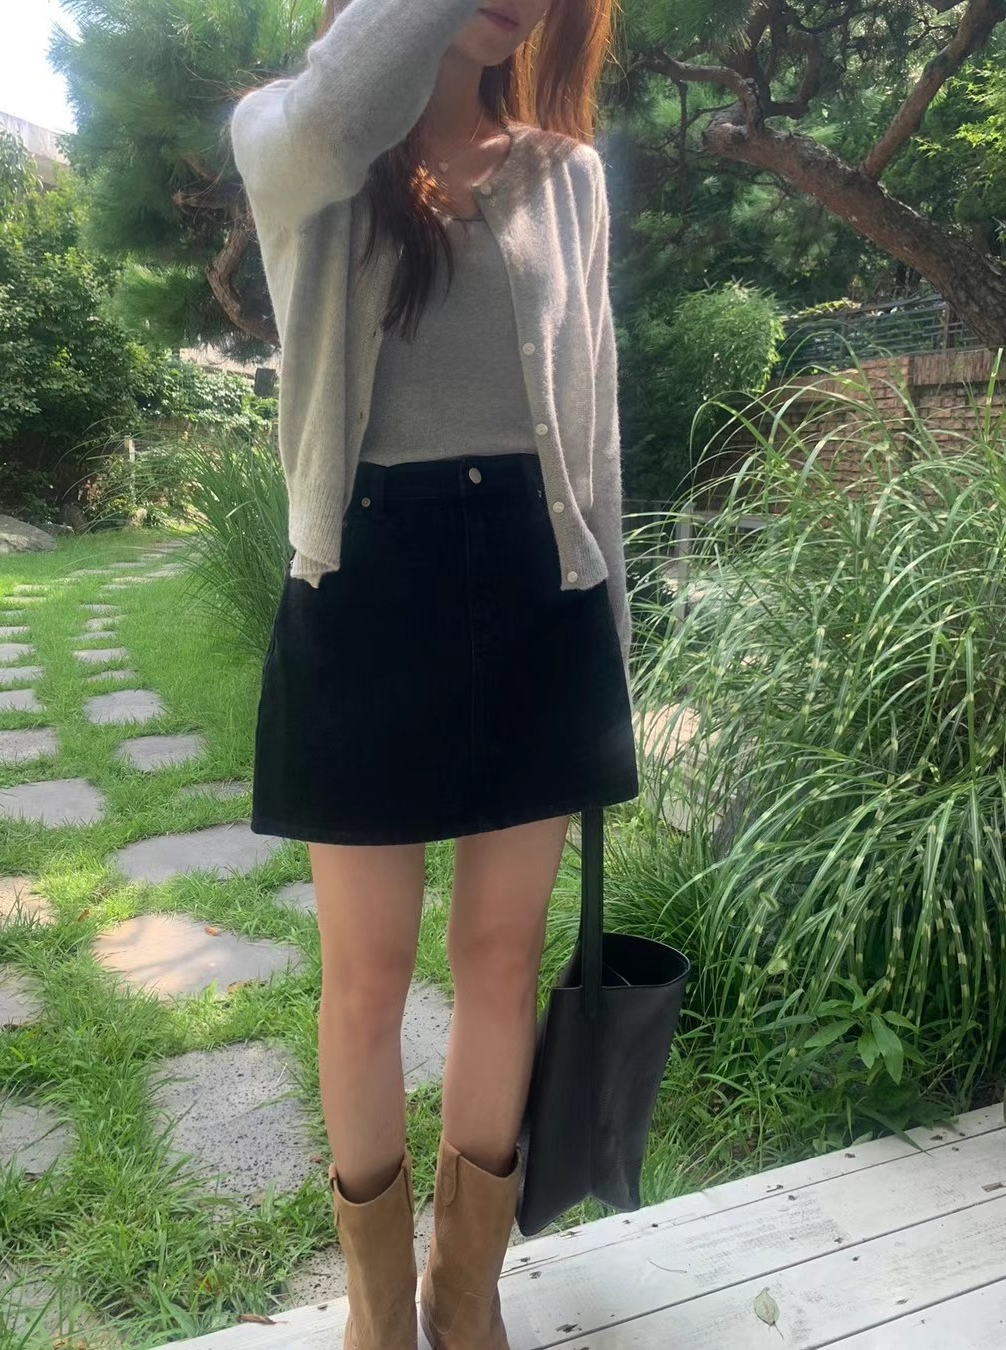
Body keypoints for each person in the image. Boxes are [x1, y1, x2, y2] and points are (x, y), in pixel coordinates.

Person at [230, 0, 637, 1344]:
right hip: (366, 584)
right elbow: (336, 113)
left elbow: (595, 422)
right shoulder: (297, 139)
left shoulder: (567, 177)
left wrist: (610, 645)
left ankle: (464, 1295)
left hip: (537, 590)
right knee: (366, 975)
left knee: (501, 959)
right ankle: (376, 1310)